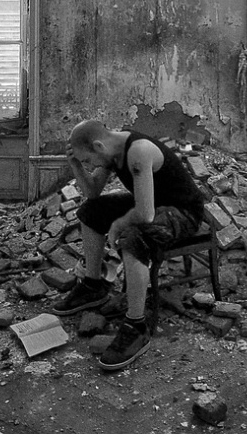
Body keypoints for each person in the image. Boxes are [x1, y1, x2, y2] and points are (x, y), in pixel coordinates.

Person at [49, 119, 206, 370]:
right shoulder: (112, 151)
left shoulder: (138, 151)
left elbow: (144, 215)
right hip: (153, 205)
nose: (91, 166)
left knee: (132, 236)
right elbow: (92, 193)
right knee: (90, 212)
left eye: (89, 160)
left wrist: (118, 225)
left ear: (99, 146)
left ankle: (137, 325)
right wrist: (76, 165)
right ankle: (93, 285)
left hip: (183, 213)